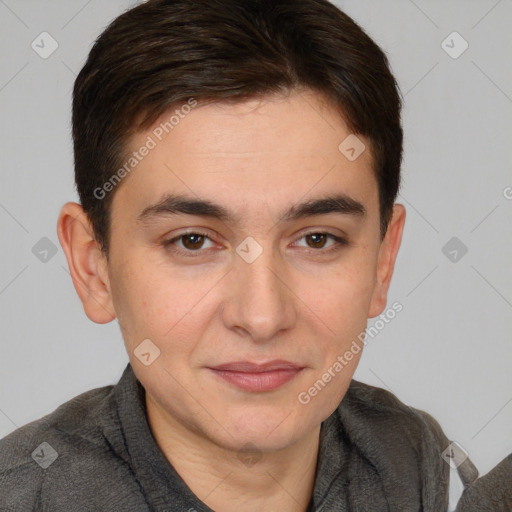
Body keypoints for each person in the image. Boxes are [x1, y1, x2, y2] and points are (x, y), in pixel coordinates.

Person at [0, 0, 510, 510]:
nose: (262, 317)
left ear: (382, 259)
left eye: (317, 239)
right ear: (94, 266)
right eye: (192, 241)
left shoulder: (415, 461)